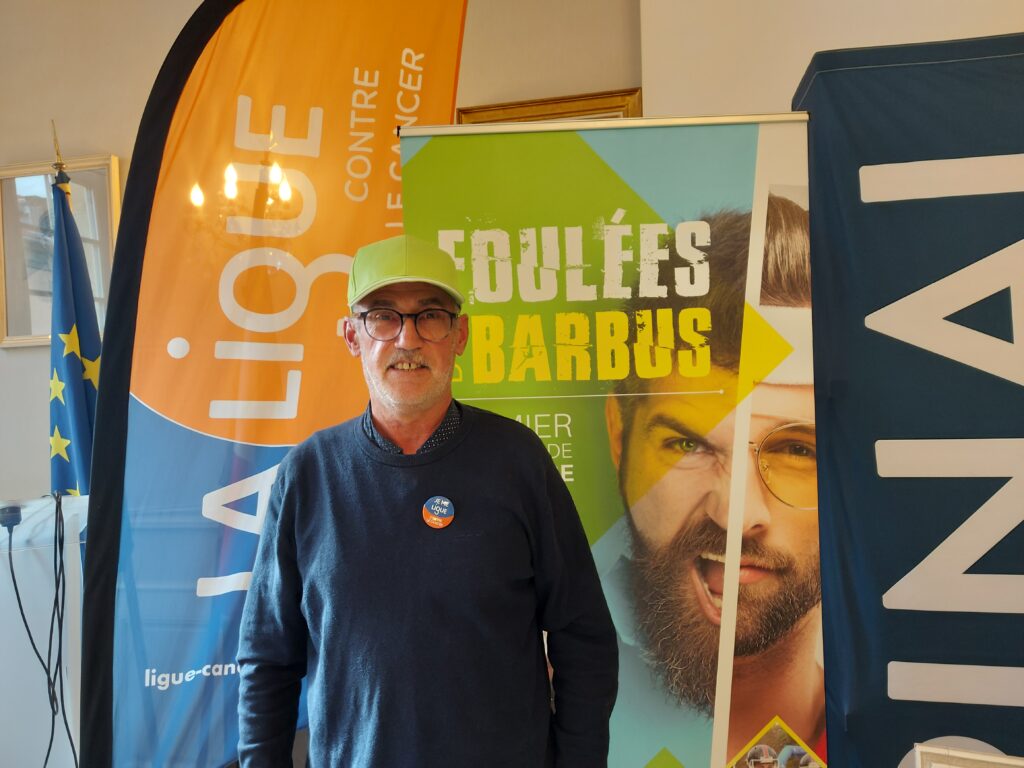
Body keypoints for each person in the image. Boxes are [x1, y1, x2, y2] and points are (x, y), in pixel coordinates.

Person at [237, 234, 618, 767]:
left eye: (431, 316)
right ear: (352, 335)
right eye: (383, 317)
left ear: (460, 335)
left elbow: (585, 635)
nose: (407, 339)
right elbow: (268, 658)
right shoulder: (308, 473)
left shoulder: (517, 460)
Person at [598, 195, 825, 765]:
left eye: (796, 450)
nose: (735, 516)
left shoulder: (913, 719)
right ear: (619, 435)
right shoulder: (531, 684)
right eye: (688, 444)